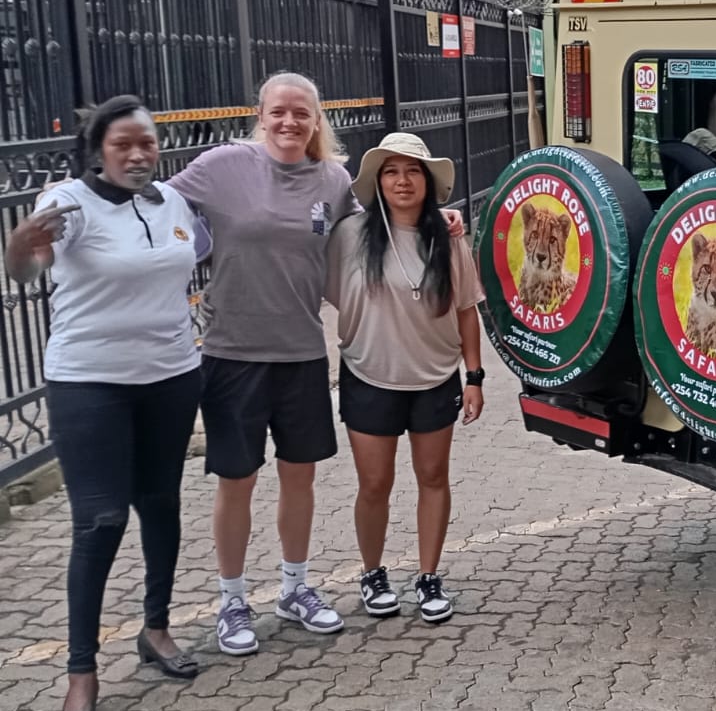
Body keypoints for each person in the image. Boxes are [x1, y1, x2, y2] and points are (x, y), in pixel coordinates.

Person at [167, 72, 465, 657]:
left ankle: (294, 588)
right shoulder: (223, 165)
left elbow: (381, 221)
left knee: (298, 477)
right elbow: (159, 206)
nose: (289, 123)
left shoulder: (331, 180)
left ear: (316, 120)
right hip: (232, 353)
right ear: (261, 113)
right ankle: (232, 599)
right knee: (237, 481)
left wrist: (445, 219)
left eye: (301, 114)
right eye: (278, 112)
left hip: (303, 352)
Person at [4, 97, 205, 711]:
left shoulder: (170, 203)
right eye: (123, 144)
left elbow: (196, 261)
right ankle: (82, 672)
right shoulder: (68, 203)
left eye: (147, 141)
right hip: (90, 384)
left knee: (161, 504)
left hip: (171, 378)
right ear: (98, 149)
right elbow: (26, 266)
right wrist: (18, 248)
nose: (138, 153)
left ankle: (155, 629)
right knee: (100, 518)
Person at [324, 134, 484, 624]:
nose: (402, 180)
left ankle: (429, 576)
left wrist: (474, 376)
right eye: (391, 171)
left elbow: (466, 310)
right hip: (370, 375)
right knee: (375, 483)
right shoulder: (351, 234)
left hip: (435, 377)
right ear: (377, 182)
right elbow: (322, 290)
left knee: (433, 477)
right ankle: (372, 573)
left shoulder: (449, 237)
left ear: (428, 182)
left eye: (413, 171)